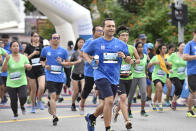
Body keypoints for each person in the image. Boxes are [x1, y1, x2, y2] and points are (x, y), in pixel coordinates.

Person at [83, 18, 132, 131]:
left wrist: (124, 57)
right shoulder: (95, 43)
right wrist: (90, 62)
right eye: (109, 26)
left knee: (107, 102)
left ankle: (92, 117)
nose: (111, 28)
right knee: (110, 100)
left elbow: (129, 60)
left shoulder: (121, 44)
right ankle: (108, 128)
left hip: (114, 77)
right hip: (100, 74)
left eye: (113, 26)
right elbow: (84, 52)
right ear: (103, 28)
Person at [112, 25, 139, 128]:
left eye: (127, 35)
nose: (125, 37)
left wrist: (134, 61)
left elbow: (138, 60)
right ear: (118, 37)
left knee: (123, 99)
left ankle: (116, 110)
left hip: (129, 77)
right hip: (118, 78)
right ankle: (127, 121)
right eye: (123, 35)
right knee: (123, 98)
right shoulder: (114, 47)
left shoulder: (132, 48)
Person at [40, 33, 69, 125]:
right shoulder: (45, 50)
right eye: (54, 38)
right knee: (52, 96)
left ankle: (50, 105)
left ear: (59, 39)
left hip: (60, 77)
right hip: (50, 76)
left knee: (56, 98)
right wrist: (45, 65)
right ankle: (55, 116)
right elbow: (41, 60)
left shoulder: (64, 51)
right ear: (51, 39)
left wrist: (61, 62)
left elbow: (68, 63)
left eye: (57, 38)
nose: (55, 39)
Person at [2, 41, 32, 120]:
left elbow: (29, 66)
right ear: (10, 48)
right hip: (11, 83)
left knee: (23, 96)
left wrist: (28, 66)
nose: (16, 47)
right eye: (14, 46)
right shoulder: (8, 57)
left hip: (22, 81)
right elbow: (4, 70)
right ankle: (15, 113)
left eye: (17, 46)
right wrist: (6, 61)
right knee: (13, 100)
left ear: (19, 47)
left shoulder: (23, 57)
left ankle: (22, 105)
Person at [79, 25, 103, 115]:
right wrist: (91, 57)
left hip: (101, 70)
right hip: (90, 70)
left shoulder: (104, 42)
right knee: (87, 89)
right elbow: (82, 53)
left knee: (101, 89)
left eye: (102, 31)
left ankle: (101, 109)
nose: (101, 32)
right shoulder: (89, 41)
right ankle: (82, 104)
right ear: (93, 32)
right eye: (98, 31)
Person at [24, 32, 45, 113]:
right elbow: (25, 59)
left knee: (42, 87)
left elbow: (45, 57)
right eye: (35, 36)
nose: (36, 38)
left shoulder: (41, 46)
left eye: (38, 36)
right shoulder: (28, 47)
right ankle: (33, 105)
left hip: (40, 69)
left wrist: (44, 62)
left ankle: (39, 100)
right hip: (31, 70)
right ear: (32, 37)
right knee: (33, 89)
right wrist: (33, 54)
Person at [128, 41, 148, 117]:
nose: (140, 48)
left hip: (142, 76)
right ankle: (129, 110)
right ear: (136, 48)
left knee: (143, 92)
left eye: (141, 47)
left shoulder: (145, 56)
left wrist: (146, 74)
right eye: (139, 47)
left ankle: (142, 110)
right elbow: (129, 64)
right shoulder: (133, 56)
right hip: (133, 76)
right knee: (131, 94)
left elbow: (145, 66)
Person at [148, 44, 171, 111]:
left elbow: (169, 67)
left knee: (159, 90)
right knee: (160, 88)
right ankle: (160, 103)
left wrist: (168, 64)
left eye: (165, 48)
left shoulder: (167, 58)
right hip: (156, 76)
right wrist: (154, 62)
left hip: (163, 76)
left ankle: (153, 103)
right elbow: (149, 66)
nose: (165, 50)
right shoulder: (156, 57)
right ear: (160, 50)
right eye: (163, 48)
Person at [167, 42, 186, 110]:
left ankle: (173, 102)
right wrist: (169, 69)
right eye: (182, 46)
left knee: (179, 91)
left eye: (184, 46)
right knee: (179, 87)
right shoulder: (173, 55)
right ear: (178, 47)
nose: (183, 48)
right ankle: (173, 102)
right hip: (174, 74)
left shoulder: (186, 55)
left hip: (182, 75)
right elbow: (167, 62)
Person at [183, 29, 196, 117]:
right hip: (192, 72)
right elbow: (185, 57)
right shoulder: (189, 45)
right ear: (194, 33)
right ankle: (189, 110)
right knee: (193, 93)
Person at [70, 38, 85, 111]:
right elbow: (70, 63)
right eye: (80, 42)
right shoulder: (74, 53)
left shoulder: (86, 52)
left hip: (83, 74)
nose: (81, 43)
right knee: (76, 91)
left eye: (83, 42)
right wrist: (77, 61)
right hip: (75, 73)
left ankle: (81, 103)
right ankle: (73, 104)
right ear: (77, 43)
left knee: (83, 89)